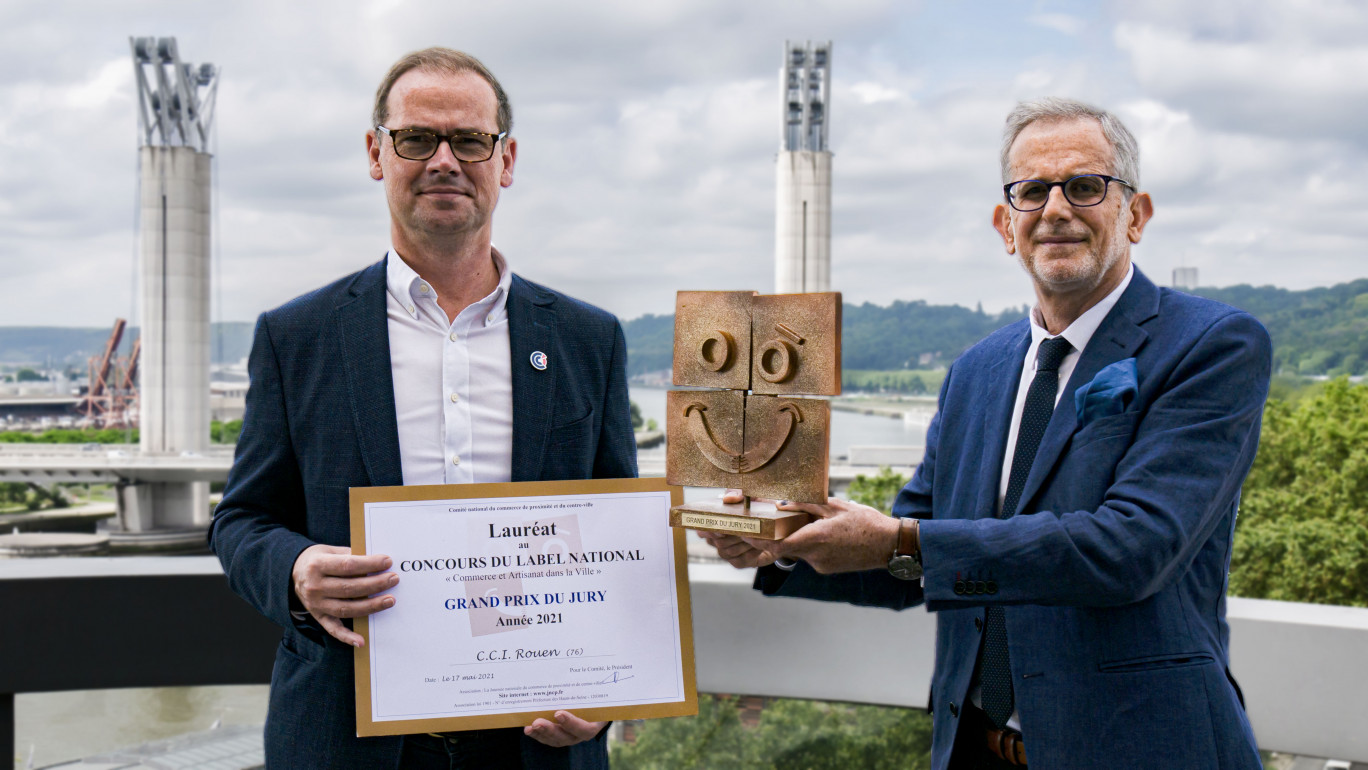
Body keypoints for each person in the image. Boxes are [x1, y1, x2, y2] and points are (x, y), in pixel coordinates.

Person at [703, 98, 1269, 769]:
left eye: (1085, 186)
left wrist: (899, 540)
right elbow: (917, 557)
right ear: (1007, 226)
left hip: (1139, 747)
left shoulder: (1212, 346)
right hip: (971, 747)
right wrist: (789, 543)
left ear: (1135, 214)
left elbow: (1130, 550)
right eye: (1032, 191)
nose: (1056, 209)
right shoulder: (977, 371)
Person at [209, 47, 634, 769]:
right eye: (416, 139)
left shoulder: (588, 340)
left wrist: (610, 692)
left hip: (537, 744)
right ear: (377, 153)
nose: (444, 160)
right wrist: (296, 570)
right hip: (344, 741)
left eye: (469, 140)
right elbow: (240, 521)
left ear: (506, 160)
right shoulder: (296, 337)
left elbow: (625, 537)